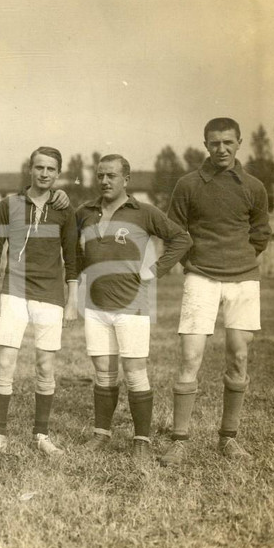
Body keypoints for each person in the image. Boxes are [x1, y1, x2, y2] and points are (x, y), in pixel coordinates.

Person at [159, 118, 271, 465]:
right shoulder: (188, 184)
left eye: (228, 142)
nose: (221, 149)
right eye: (214, 143)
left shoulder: (253, 186)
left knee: (238, 354)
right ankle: (179, 440)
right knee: (191, 357)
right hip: (201, 278)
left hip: (243, 279)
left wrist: (239, 260)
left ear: (239, 142)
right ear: (205, 145)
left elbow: (260, 233)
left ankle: (229, 439)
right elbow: (174, 231)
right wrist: (198, 260)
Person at [75, 154, 192, 465]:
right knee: (103, 372)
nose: (104, 181)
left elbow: (181, 239)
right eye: (100, 175)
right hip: (95, 305)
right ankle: (102, 433)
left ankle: (141, 439)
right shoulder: (85, 212)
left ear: (126, 179)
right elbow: (74, 251)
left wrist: (155, 270)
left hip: (132, 304)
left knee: (135, 372)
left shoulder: (143, 212)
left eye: (112, 175)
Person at [0, 147, 78, 457]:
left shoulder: (64, 208)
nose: (44, 173)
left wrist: (72, 299)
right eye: (39, 167)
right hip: (14, 291)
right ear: (30, 169)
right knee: (5, 361)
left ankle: (42, 434)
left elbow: (72, 256)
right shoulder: (10, 205)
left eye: (51, 169)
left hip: (49, 293)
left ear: (58, 174)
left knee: (45, 365)